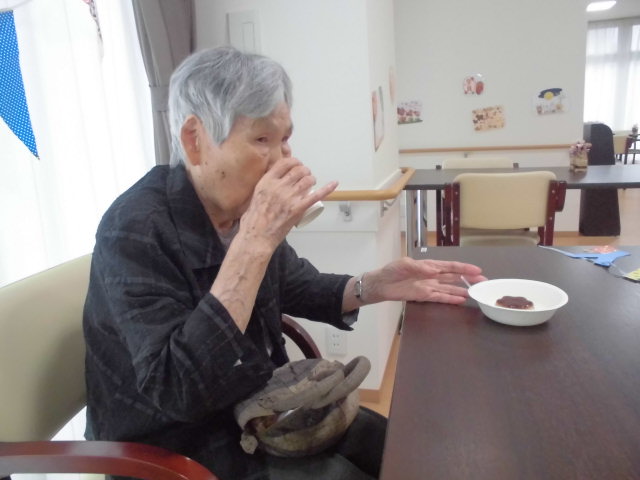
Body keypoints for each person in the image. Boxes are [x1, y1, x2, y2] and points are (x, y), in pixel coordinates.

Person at [83, 45, 485, 480]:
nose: (283, 159)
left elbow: (298, 285)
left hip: (255, 407)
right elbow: (177, 389)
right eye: (262, 140)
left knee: (398, 447)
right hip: (172, 446)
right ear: (195, 140)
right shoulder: (135, 228)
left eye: (285, 139)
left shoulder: (240, 213)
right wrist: (254, 242)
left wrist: (375, 284)